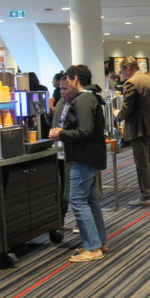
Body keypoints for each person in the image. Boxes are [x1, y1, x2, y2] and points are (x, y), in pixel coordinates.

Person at [48, 65, 107, 263]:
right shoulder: (89, 97)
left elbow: (85, 131)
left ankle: (93, 247)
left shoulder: (83, 100)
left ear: (75, 79)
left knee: (78, 201)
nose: (63, 88)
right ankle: (99, 242)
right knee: (90, 201)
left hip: (84, 157)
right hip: (88, 156)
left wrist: (61, 133)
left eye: (66, 84)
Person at [114, 56, 150, 206]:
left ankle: (145, 196)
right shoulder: (149, 80)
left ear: (128, 69)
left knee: (142, 163)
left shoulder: (131, 83)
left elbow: (127, 109)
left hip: (140, 129)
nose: (121, 74)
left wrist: (117, 115)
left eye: (122, 71)